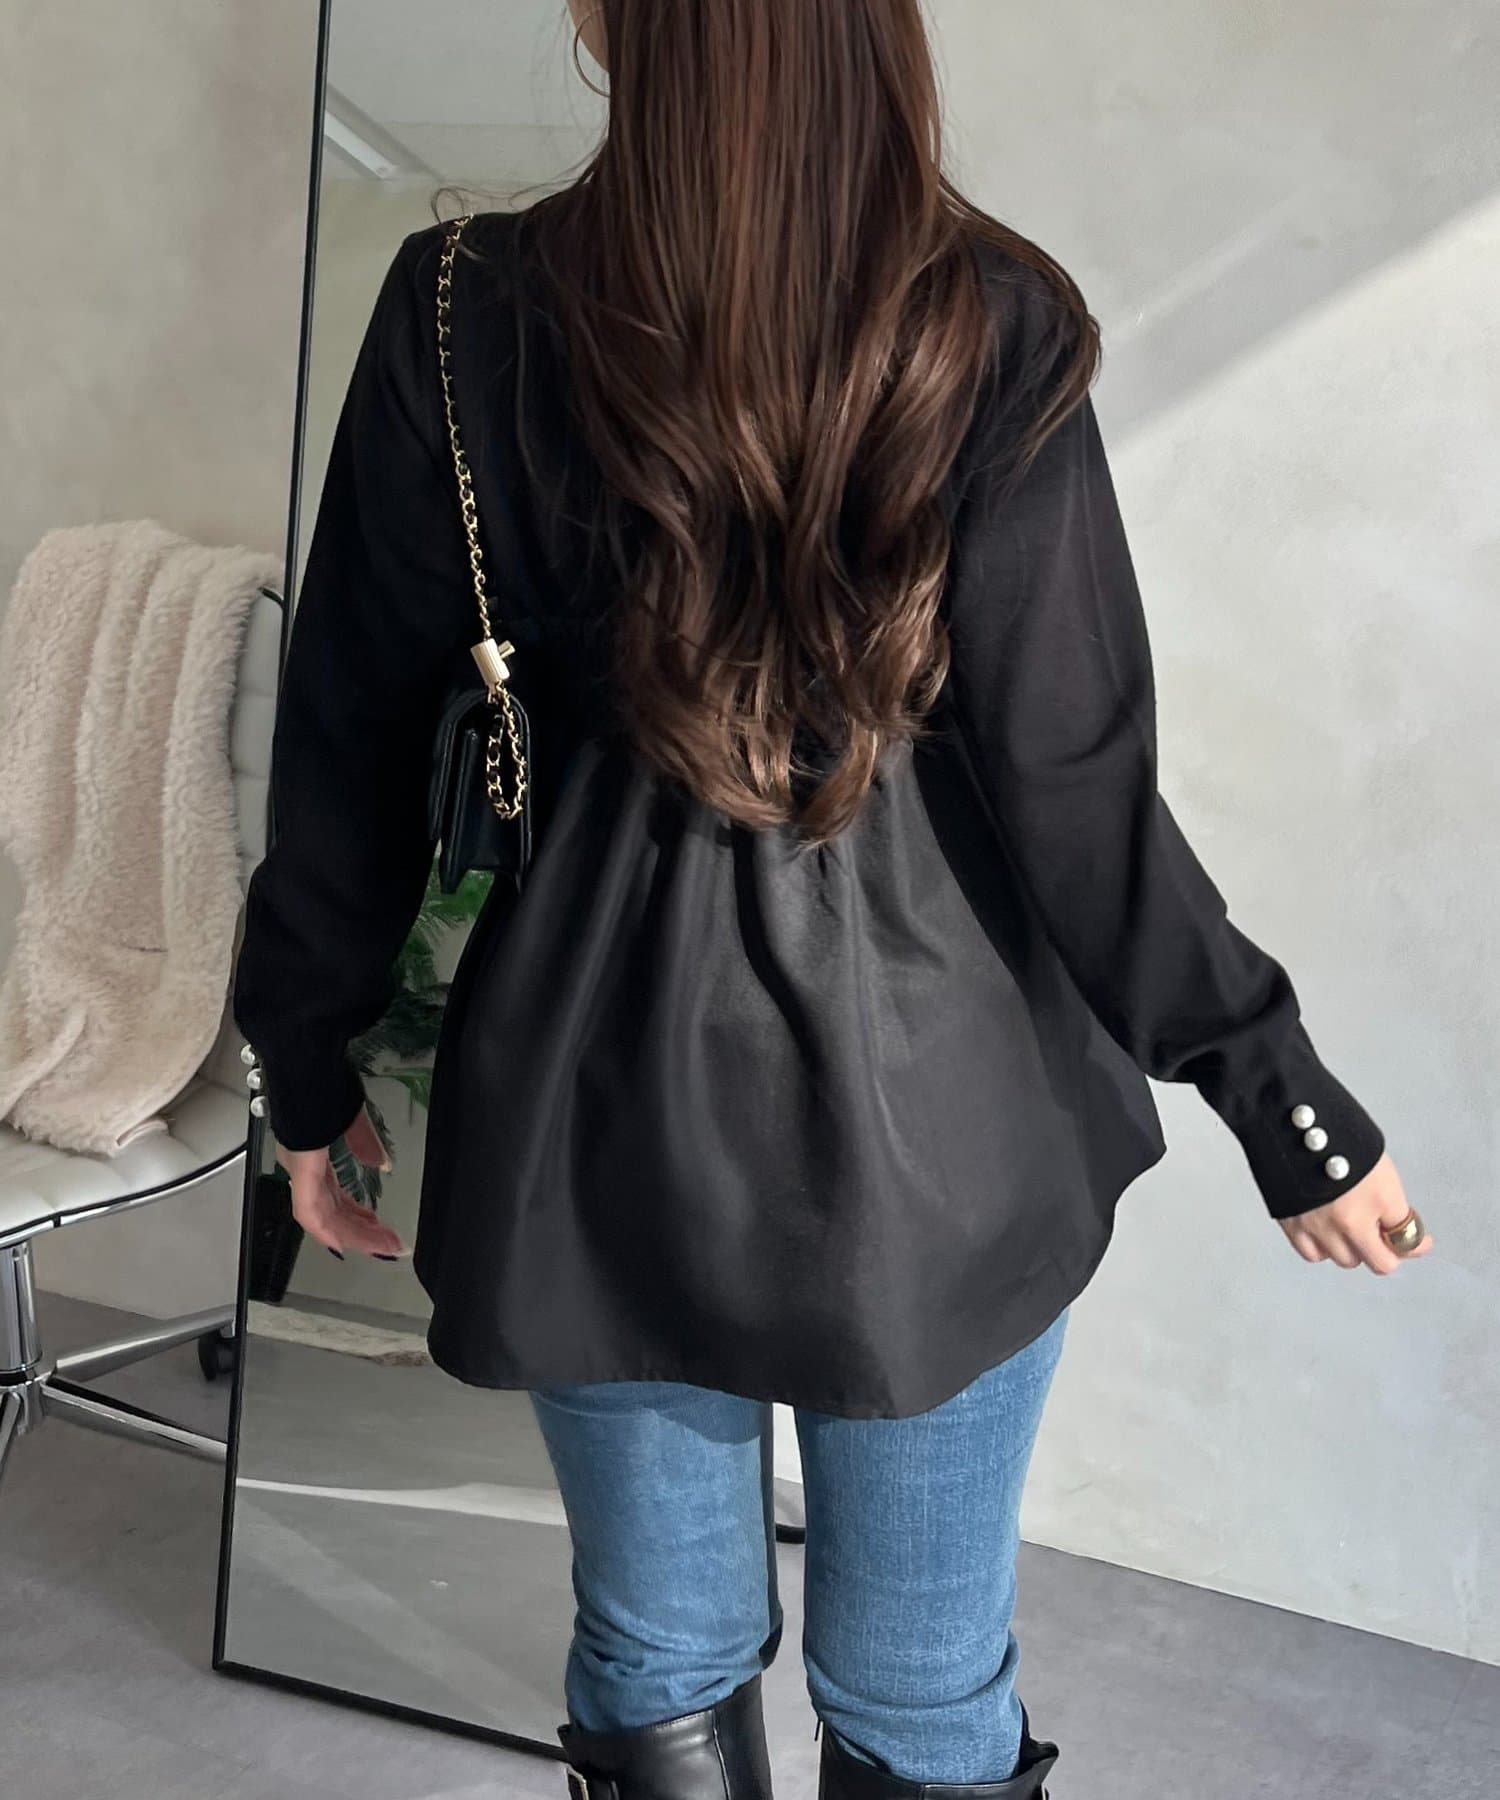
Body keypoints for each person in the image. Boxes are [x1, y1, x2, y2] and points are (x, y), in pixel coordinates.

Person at [232, 3, 1431, 1795]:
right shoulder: (988, 319)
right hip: (947, 1128)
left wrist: (307, 1065)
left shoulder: (459, 309)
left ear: (606, 22)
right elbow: (1079, 789)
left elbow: (349, 731)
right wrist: (1285, 1101)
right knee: (922, 1682)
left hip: (594, 1111)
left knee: (658, 1653)